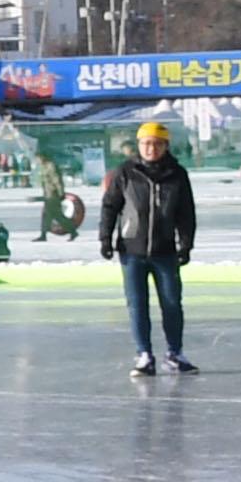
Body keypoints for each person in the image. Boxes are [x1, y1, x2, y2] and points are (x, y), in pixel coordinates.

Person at [98, 122, 197, 377]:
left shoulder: (177, 174)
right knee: (137, 304)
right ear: (139, 145)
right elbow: (110, 206)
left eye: (156, 144)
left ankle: (175, 354)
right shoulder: (126, 173)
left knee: (172, 302)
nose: (151, 148)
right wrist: (105, 239)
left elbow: (186, 213)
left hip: (165, 251)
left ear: (165, 146)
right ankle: (144, 354)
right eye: (146, 143)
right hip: (132, 250)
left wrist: (185, 244)